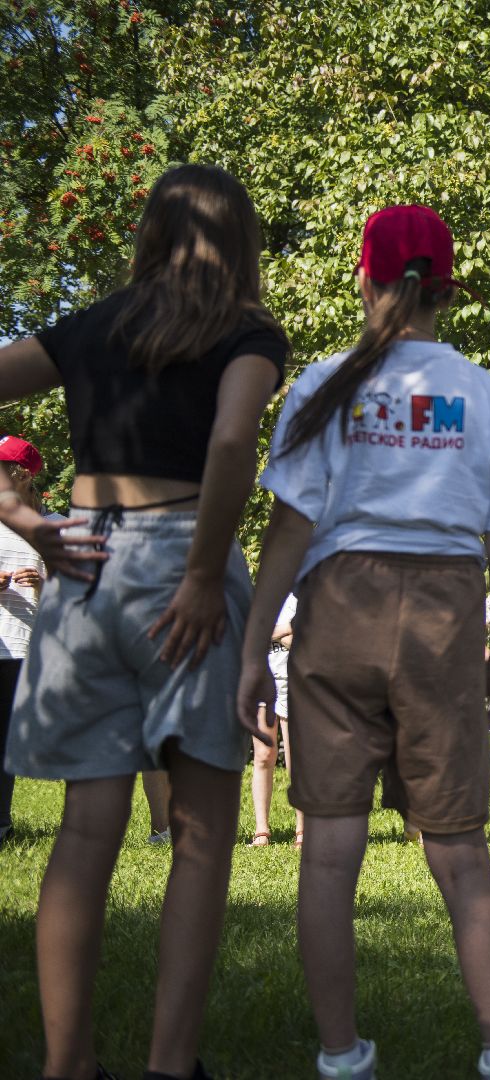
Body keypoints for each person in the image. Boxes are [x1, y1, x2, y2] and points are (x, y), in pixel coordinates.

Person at [235, 204, 490, 1080]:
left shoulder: (322, 384)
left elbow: (289, 531)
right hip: (443, 618)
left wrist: (252, 648)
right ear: (447, 289)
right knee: (457, 845)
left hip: (338, 608)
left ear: (364, 275)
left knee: (330, 847)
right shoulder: (486, 395)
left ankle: (341, 1058)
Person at [0, 163, 287, 1080]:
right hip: (179, 556)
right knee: (200, 837)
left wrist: (27, 522)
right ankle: (169, 1068)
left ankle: (65, 1066)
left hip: (82, 563)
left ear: (152, 233)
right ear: (240, 238)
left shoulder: (91, 324)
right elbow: (233, 440)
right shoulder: (246, 331)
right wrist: (205, 574)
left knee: (89, 829)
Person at [0, 437, 55, 848]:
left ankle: (1, 822)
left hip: (21, 646)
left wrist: (47, 580)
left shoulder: (47, 524)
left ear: (21, 474)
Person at [248, 593, 306, 847]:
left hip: (297, 685)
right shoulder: (261, 595)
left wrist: (271, 632)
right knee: (263, 756)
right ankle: (262, 830)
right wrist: (287, 630)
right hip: (262, 684)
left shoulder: (304, 595)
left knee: (298, 760)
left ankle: (302, 831)